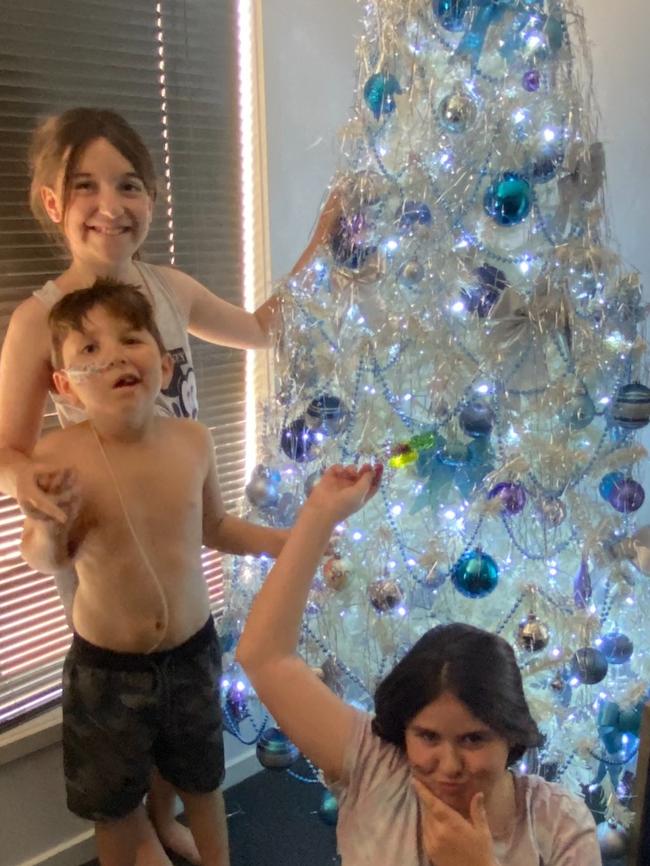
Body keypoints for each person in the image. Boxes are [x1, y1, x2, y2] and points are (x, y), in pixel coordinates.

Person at [0, 106, 341, 862]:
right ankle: (141, 830)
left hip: (182, 508)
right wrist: (33, 486)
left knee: (180, 688)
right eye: (84, 185)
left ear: (151, 198)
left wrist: (323, 245)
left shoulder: (170, 290)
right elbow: (8, 448)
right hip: (104, 540)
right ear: (54, 203)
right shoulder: (40, 320)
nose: (109, 203)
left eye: (128, 184)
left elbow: (261, 329)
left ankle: (165, 815)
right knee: (127, 689)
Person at [20, 279, 291, 866]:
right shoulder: (57, 459)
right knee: (114, 805)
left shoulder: (193, 441)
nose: (114, 354)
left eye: (131, 338)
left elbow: (216, 527)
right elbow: (44, 558)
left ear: (164, 366)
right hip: (107, 670)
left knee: (201, 780)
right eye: (88, 350)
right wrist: (48, 527)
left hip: (193, 652)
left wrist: (281, 542)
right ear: (65, 386)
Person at [236, 464, 603, 866]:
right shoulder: (376, 767)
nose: (448, 767)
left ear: (511, 734)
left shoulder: (559, 824)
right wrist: (321, 512)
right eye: (427, 737)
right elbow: (265, 657)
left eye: (474, 739)